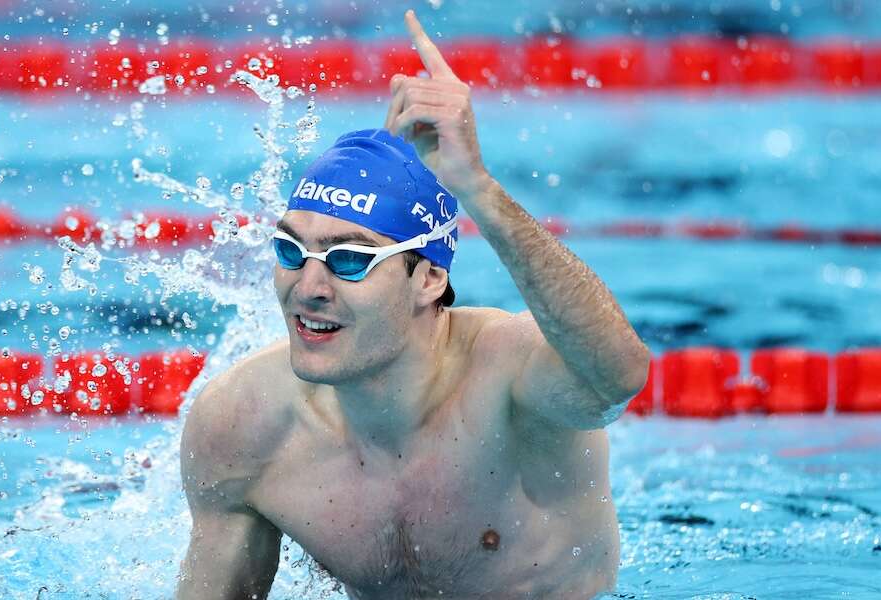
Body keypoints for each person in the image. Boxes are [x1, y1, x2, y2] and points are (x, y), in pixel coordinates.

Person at [178, 9, 650, 599]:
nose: (309, 286)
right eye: (291, 250)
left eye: (351, 258)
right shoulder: (243, 426)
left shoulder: (509, 378)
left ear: (428, 279)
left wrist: (473, 184)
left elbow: (620, 375)